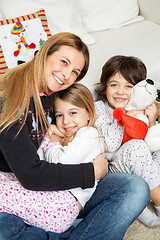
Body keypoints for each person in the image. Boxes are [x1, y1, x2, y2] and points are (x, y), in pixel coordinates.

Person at [0, 32, 149, 240]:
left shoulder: (52, 94)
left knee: (135, 188)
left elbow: (88, 108)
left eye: (75, 72)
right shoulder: (9, 99)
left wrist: (147, 109)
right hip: (20, 194)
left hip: (62, 196)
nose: (66, 75)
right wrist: (91, 172)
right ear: (44, 53)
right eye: (63, 62)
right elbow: (31, 175)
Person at [0, 83, 106, 233]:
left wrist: (53, 140)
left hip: (62, 204)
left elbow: (58, 163)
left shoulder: (90, 134)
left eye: (73, 113)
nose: (66, 121)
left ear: (88, 113)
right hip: (50, 195)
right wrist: (48, 138)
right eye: (59, 115)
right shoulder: (65, 135)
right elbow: (38, 163)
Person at [95, 55, 160, 228]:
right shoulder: (98, 109)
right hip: (114, 170)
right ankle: (157, 200)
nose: (120, 92)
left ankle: (140, 201)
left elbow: (153, 146)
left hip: (144, 167)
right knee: (136, 146)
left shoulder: (140, 106)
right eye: (114, 84)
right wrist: (124, 117)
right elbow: (110, 144)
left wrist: (152, 120)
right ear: (105, 86)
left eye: (129, 86)